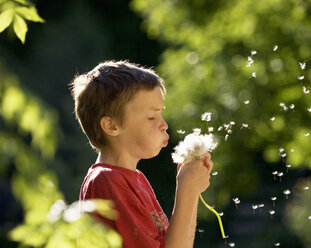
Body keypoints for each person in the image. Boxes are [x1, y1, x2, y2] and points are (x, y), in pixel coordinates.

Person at [69, 60, 213, 248]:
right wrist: (187, 191)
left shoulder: (136, 179)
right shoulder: (107, 181)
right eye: (152, 117)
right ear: (112, 126)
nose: (164, 125)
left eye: (161, 114)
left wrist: (191, 192)